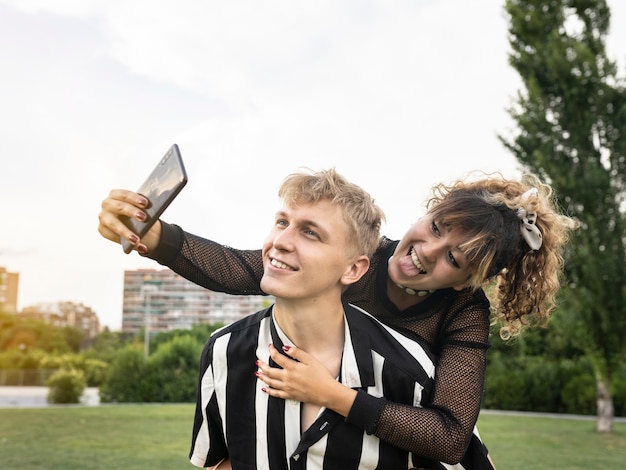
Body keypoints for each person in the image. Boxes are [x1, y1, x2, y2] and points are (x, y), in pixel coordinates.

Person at [98, 170, 577, 468]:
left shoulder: (464, 311)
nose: (425, 252)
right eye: (434, 228)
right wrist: (155, 236)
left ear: (469, 280)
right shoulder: (360, 254)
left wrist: (330, 393)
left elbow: (449, 436)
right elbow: (243, 267)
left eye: (453, 257)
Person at [189, 167, 441, 469]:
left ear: (353, 270)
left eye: (310, 232)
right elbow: (222, 462)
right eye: (282, 222)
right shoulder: (223, 350)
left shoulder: (411, 367)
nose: (280, 241)